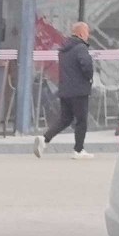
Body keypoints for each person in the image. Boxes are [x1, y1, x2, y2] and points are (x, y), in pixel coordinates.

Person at [35, 22, 95, 157]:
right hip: (79, 90)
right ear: (81, 34)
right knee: (81, 121)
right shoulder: (81, 48)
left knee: (65, 119)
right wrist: (89, 78)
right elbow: (86, 65)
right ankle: (78, 150)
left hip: (65, 90)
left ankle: (44, 139)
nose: (88, 35)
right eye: (87, 32)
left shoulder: (63, 49)